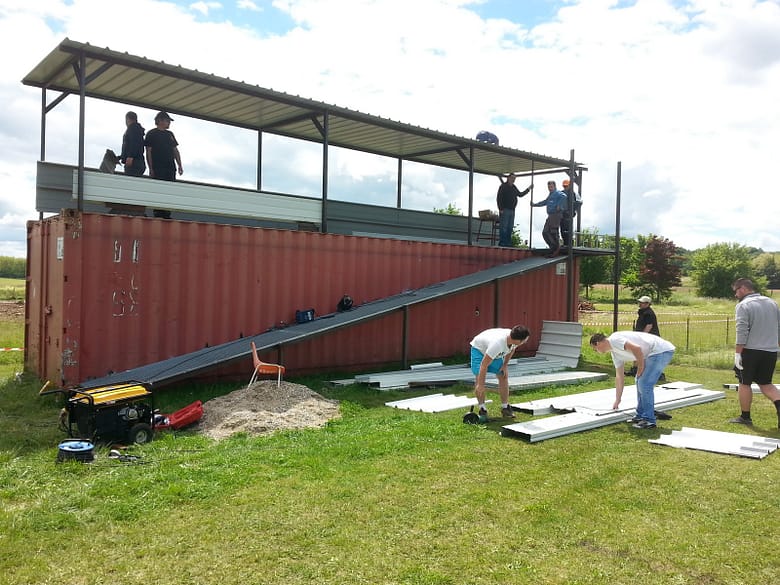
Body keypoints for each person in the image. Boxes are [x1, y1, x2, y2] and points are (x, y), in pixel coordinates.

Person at [589, 331, 675, 429]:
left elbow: (636, 349)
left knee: (644, 383)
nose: (596, 351)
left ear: (597, 343)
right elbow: (619, 377)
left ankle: (649, 420)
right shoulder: (615, 354)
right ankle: (641, 415)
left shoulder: (615, 339)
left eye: (595, 349)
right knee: (639, 381)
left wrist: (640, 367)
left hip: (660, 350)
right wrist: (618, 399)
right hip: (651, 353)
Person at [729, 278, 780, 428]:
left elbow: (742, 331)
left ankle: (745, 417)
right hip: (771, 350)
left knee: (745, 383)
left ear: (743, 289)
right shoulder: (772, 303)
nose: (735, 295)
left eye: (736, 291)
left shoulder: (743, 305)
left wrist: (738, 353)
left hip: (751, 351)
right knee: (766, 383)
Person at [470, 325, 531, 422]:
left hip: (494, 352)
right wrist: (481, 384)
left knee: (503, 376)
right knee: (479, 380)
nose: (525, 342)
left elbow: (512, 349)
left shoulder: (513, 339)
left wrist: (505, 365)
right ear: (519, 340)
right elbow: (483, 365)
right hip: (479, 349)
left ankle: (505, 407)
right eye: (525, 340)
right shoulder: (497, 344)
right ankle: (482, 408)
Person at [145, 111, 183, 218]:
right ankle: (158, 213)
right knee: (158, 189)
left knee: (169, 190)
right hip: (158, 167)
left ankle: (167, 213)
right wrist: (151, 168)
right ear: (160, 120)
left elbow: (175, 150)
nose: (169, 123)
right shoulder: (151, 134)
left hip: (170, 167)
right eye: (167, 121)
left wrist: (180, 165)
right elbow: (148, 151)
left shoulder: (170, 134)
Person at [531, 180, 567, 257]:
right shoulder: (550, 195)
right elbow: (544, 202)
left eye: (551, 187)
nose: (550, 188)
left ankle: (556, 249)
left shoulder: (557, 193)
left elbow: (564, 196)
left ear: (554, 186)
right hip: (550, 215)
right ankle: (553, 247)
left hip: (556, 214)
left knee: (553, 231)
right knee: (545, 232)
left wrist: (559, 205)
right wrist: (535, 205)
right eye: (549, 187)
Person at [496, 174, 532, 247]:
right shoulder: (503, 186)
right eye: (512, 178)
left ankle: (508, 242)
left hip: (512, 210)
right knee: (504, 227)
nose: (513, 179)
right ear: (508, 178)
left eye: (514, 178)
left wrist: (528, 189)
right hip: (505, 209)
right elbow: (499, 198)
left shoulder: (514, 187)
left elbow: (520, 194)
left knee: (510, 227)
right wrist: (500, 208)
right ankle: (502, 242)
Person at [119, 111, 146, 176]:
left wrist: (131, 156)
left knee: (130, 180)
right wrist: (122, 157)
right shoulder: (137, 129)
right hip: (138, 161)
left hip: (134, 162)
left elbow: (135, 142)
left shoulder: (133, 128)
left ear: (127, 119)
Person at [559, 178, 581, 247]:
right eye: (564, 186)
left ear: (569, 186)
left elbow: (579, 202)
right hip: (562, 214)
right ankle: (565, 243)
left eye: (566, 186)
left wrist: (572, 210)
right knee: (562, 229)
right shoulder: (561, 193)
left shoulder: (574, 194)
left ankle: (569, 244)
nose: (565, 187)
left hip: (569, 215)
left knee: (568, 229)